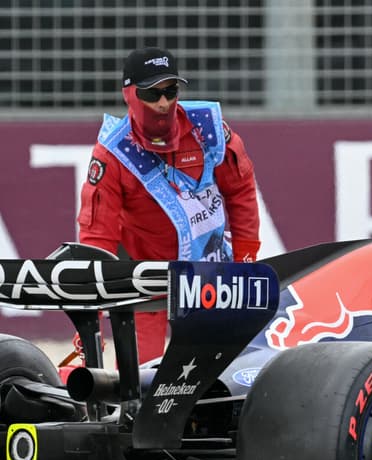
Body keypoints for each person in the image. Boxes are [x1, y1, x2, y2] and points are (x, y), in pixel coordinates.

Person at [78, 47, 261, 362]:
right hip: (143, 274)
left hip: (207, 269)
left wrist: (245, 263)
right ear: (130, 95)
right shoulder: (112, 153)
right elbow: (97, 235)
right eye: (151, 93)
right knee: (142, 374)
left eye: (171, 90)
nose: (163, 103)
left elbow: (241, 189)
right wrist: (88, 318)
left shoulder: (210, 129)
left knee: (214, 369)